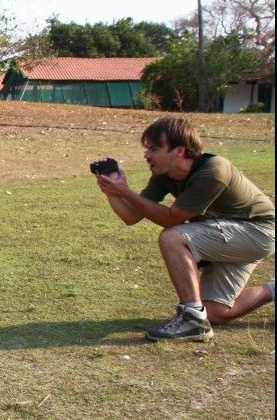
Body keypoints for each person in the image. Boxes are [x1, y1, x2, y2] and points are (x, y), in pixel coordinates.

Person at [95, 116, 275, 342]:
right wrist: (113, 193)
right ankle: (271, 291)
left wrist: (125, 192)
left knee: (172, 237)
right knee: (214, 312)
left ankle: (192, 319)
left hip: (258, 232)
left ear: (179, 151)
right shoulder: (165, 174)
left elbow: (172, 219)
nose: (146, 155)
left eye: (153, 148)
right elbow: (132, 216)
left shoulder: (213, 171)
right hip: (232, 236)